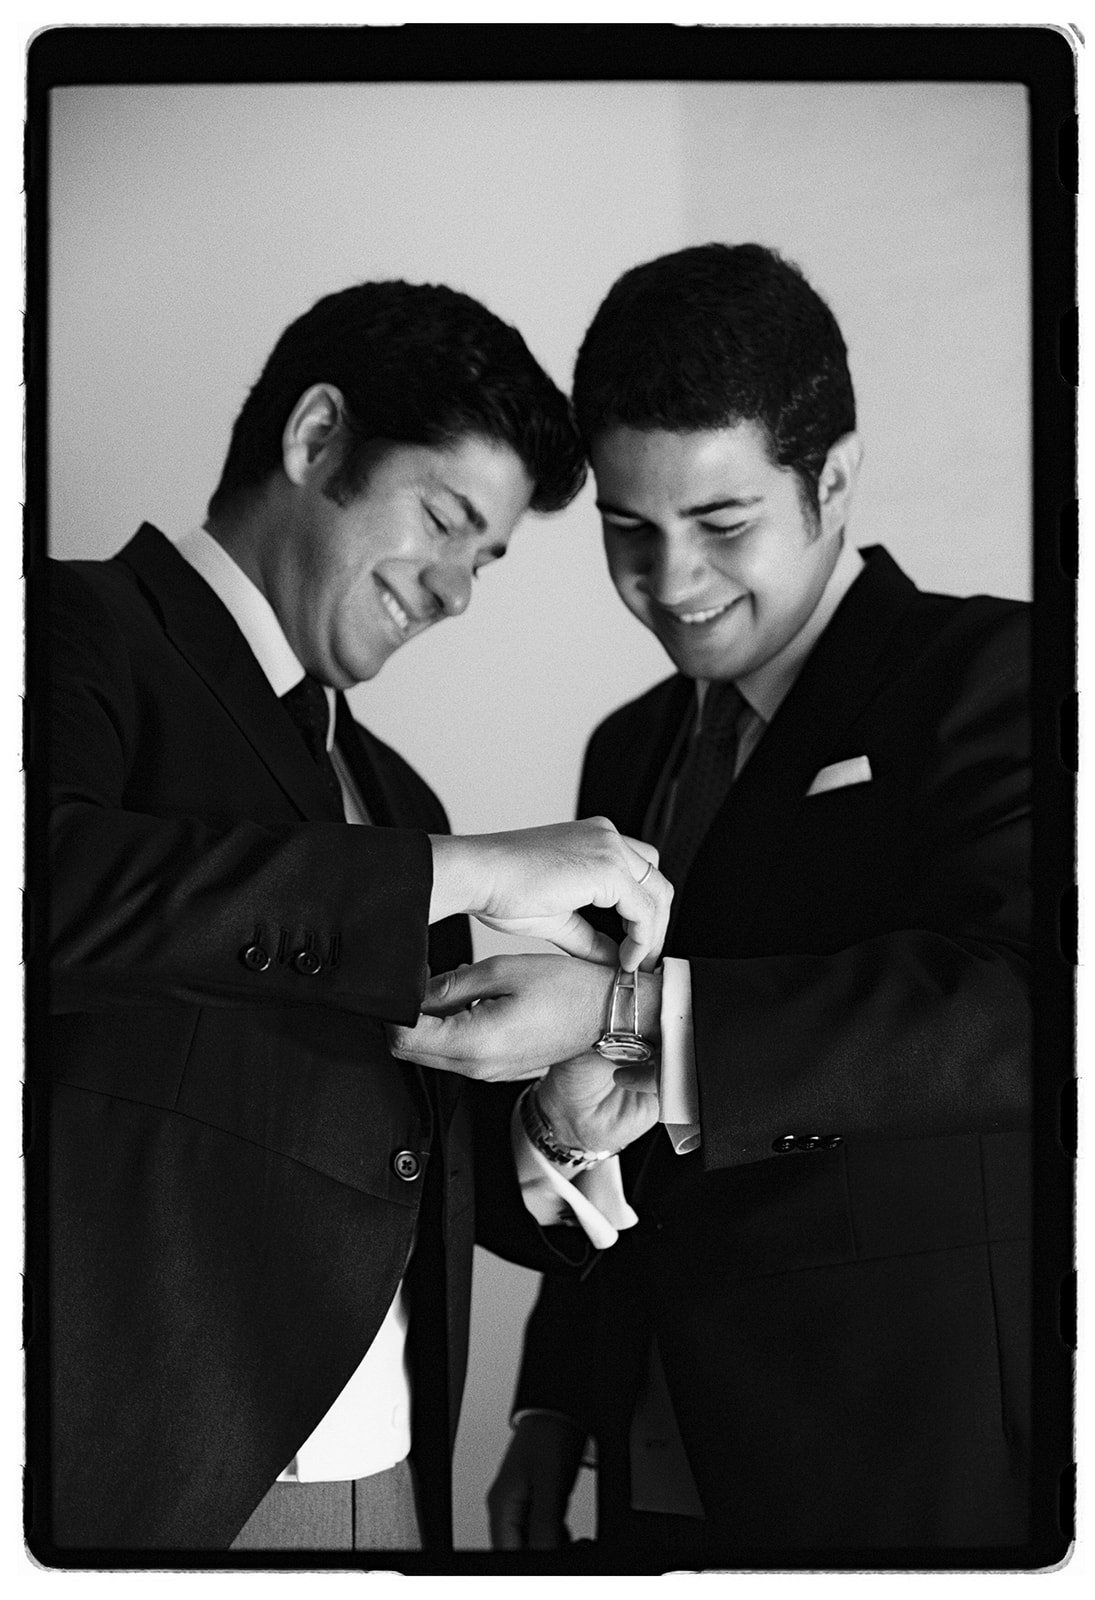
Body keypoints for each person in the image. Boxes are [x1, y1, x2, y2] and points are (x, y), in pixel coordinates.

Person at [392, 244, 1032, 1559]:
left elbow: (1031, 1003)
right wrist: (556, 1405)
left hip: (905, 1454)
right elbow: (630, 1138)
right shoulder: (628, 751)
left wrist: (628, 1020)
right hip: (651, 1452)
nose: (669, 581)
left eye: (720, 524)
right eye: (629, 529)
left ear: (832, 479)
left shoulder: (997, 672)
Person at [34, 278, 672, 1555]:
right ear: (315, 436)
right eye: (444, 521)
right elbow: (47, 893)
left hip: (391, 1484)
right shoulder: (57, 630)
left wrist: (544, 1132)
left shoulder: (398, 797)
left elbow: (379, 1140)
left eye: (484, 558)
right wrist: (464, 872)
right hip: (134, 1480)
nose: (454, 591)